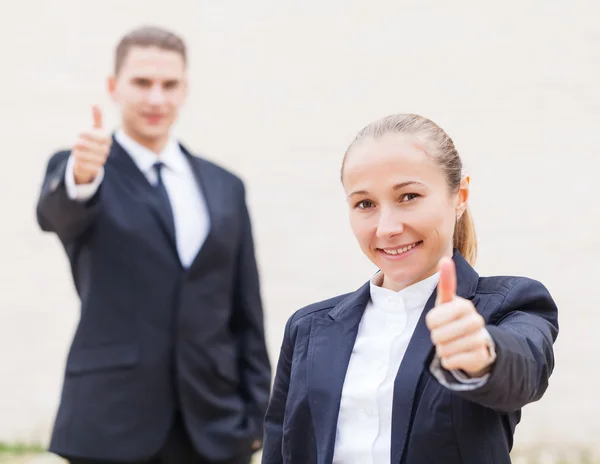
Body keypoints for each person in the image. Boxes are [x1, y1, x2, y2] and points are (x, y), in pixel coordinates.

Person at [261, 113, 559, 464]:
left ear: (459, 196)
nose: (386, 228)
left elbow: (524, 367)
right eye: (365, 204)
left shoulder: (508, 305)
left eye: (409, 196)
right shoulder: (308, 328)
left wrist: (482, 355)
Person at [36, 26, 271, 464]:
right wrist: (81, 176)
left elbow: (245, 309)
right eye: (142, 83)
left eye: (169, 84)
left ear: (185, 90)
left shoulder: (225, 187)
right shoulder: (85, 170)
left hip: (215, 425)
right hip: (111, 422)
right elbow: (57, 214)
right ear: (113, 87)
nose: (156, 98)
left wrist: (258, 415)